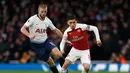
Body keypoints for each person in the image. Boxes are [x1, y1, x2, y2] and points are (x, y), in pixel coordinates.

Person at [20, 3, 67, 73]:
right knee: (51, 62)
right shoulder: (32, 19)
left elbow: (56, 30)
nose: (43, 13)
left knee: (59, 55)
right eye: (42, 11)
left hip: (46, 42)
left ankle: (65, 71)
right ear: (38, 11)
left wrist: (65, 39)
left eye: (45, 11)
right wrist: (29, 35)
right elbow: (22, 29)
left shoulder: (47, 20)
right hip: (36, 46)